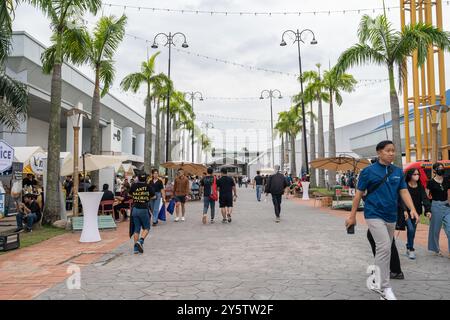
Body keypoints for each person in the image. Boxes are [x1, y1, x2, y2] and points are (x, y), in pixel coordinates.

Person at [345, 140, 419, 300]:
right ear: (379, 152)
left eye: (393, 150)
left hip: (391, 215)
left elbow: (404, 191)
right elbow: (358, 194)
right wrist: (352, 216)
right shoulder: (368, 172)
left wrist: (412, 209)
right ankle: (383, 287)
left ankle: (376, 278)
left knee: (384, 249)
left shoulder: (398, 171)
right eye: (388, 150)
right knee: (384, 247)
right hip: (373, 214)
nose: (391, 153)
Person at [402, 168, 432, 259]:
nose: (417, 176)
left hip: (416, 213)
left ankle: (408, 246)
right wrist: (404, 210)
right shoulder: (404, 186)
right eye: (415, 174)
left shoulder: (420, 187)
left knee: (413, 231)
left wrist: (427, 210)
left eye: (418, 174)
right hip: (406, 212)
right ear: (410, 175)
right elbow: (401, 199)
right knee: (410, 229)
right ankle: (411, 249)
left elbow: (425, 199)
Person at [426, 162, 450, 258]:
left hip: (446, 206)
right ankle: (436, 249)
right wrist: (428, 209)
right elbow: (427, 196)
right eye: (439, 168)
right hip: (435, 206)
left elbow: (448, 193)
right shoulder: (431, 182)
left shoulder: (447, 180)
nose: (441, 169)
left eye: (442, 168)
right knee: (435, 230)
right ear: (435, 171)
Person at [129, 172, 155, 254]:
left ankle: (135, 249)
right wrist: (146, 197)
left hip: (135, 209)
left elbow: (130, 194)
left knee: (137, 229)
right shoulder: (148, 186)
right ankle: (140, 241)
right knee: (147, 228)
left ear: (138, 178)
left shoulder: (133, 185)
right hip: (143, 209)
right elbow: (154, 196)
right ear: (146, 179)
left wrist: (137, 196)